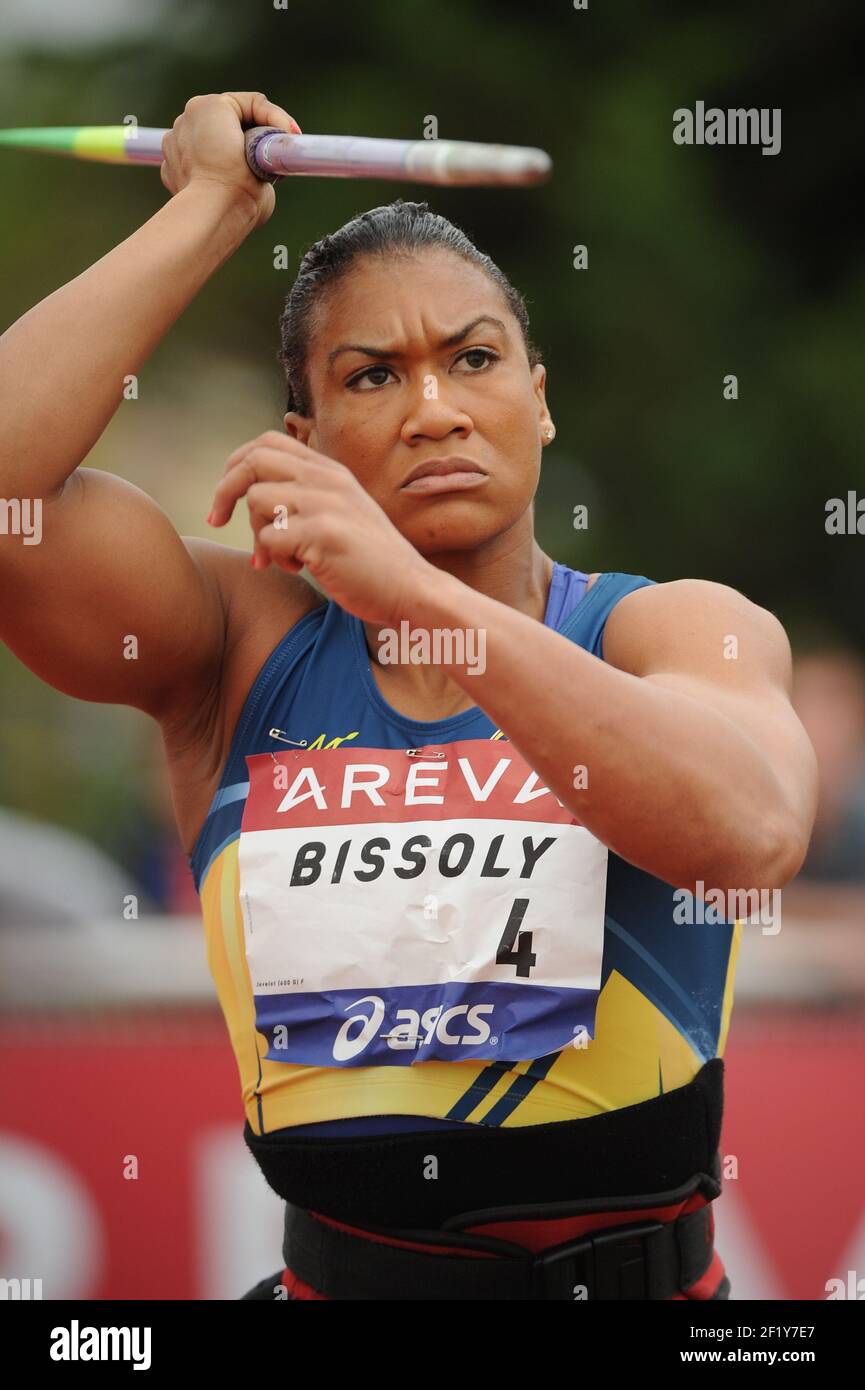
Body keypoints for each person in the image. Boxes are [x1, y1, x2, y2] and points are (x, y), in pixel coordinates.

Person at [0, 91, 818, 1301]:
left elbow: (748, 834)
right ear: (309, 436)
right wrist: (209, 211)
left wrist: (417, 598)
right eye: (372, 375)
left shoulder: (666, 627)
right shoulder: (233, 647)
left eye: (473, 359)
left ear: (536, 398)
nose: (434, 408)